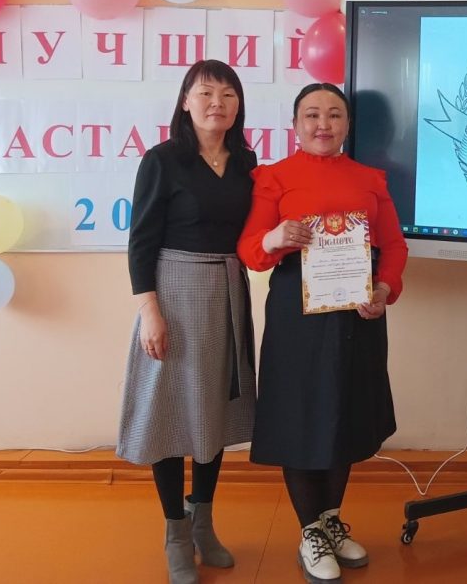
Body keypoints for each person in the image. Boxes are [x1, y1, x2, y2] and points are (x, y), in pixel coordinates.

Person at [237, 82, 408, 583]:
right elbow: (250, 250)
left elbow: (394, 246)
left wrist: (384, 289)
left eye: (334, 115)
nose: (323, 124)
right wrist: (275, 237)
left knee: (345, 413)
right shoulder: (274, 177)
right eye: (312, 115)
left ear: (348, 125)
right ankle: (309, 530)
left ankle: (331, 520)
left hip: (359, 313)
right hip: (298, 317)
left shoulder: (370, 179)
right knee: (301, 416)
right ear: (295, 125)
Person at [116, 60, 258, 584]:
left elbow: (253, 232)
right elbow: (140, 240)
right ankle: (175, 533)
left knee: (212, 411)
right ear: (185, 101)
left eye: (228, 93)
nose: (217, 102)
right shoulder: (163, 159)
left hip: (229, 291)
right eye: (205, 93)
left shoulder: (246, 162)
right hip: (174, 292)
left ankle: (203, 523)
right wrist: (149, 310)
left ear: (238, 104)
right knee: (172, 412)